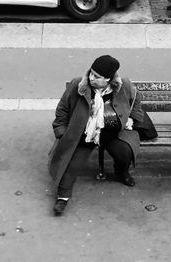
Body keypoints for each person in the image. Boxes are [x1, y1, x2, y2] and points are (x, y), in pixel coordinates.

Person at [48, 55, 144, 216]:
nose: (91, 78)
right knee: (71, 164)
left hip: (113, 131)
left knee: (125, 153)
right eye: (91, 73)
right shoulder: (77, 85)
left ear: (108, 79)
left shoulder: (124, 85)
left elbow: (136, 101)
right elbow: (62, 110)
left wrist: (133, 119)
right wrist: (61, 132)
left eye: (97, 76)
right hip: (85, 134)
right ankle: (63, 197)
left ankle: (121, 172)